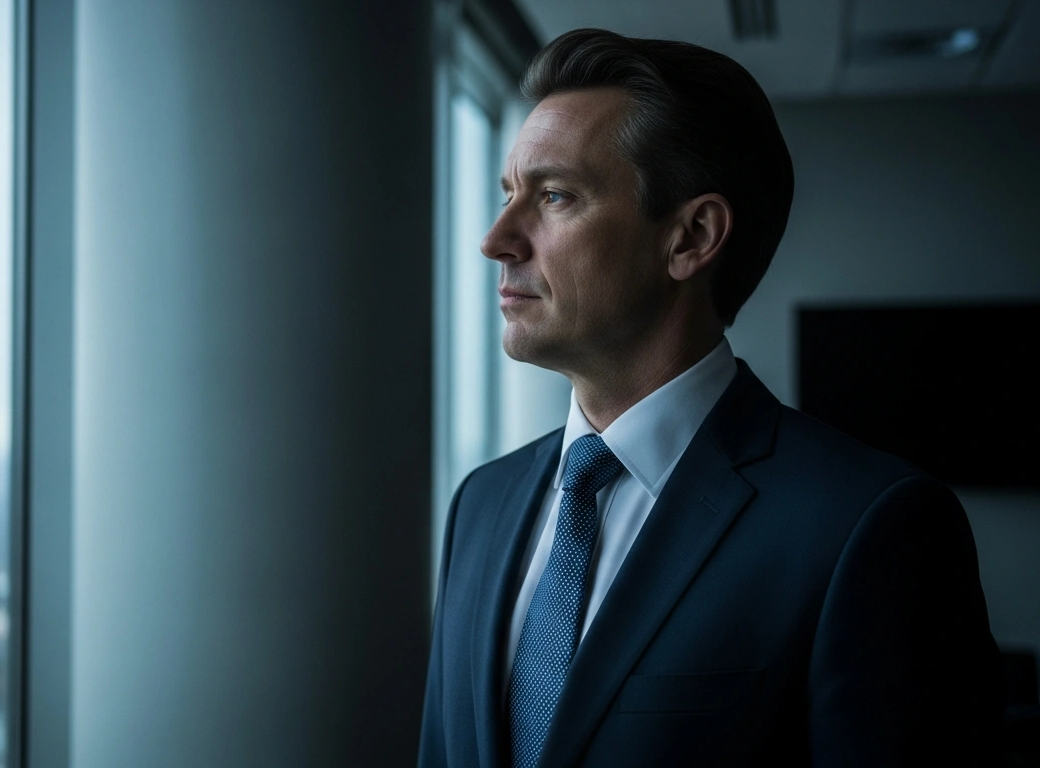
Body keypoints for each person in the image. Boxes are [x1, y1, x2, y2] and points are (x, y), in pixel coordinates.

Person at [418, 29, 1002, 768]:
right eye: (509, 195)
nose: (497, 238)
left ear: (691, 237)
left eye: (555, 195)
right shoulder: (482, 503)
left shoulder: (867, 527)